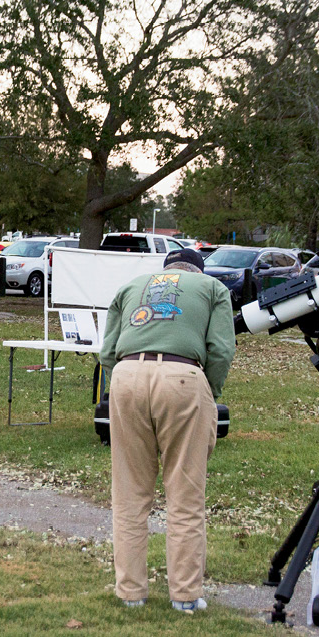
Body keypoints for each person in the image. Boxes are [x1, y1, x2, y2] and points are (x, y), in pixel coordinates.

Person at [99, 248, 235, 613]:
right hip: (182, 375)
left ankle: (131, 593)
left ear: (165, 270)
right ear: (197, 271)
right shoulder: (212, 288)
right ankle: (185, 596)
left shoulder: (132, 286)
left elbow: (107, 350)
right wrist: (209, 392)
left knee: (129, 494)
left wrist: (123, 382)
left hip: (127, 373)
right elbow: (221, 350)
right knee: (185, 495)